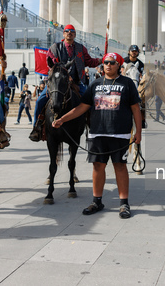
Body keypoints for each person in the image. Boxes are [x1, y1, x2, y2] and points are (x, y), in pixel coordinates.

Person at [52, 53, 142, 219]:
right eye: (105, 62)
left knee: (120, 167)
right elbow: (81, 108)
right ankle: (97, 201)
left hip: (120, 134)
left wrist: (138, 132)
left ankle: (124, 203)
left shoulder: (127, 83)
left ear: (119, 65)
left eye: (112, 63)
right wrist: (62, 120)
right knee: (98, 167)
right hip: (97, 133)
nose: (108, 65)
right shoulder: (95, 84)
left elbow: (136, 108)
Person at [30, 24, 101, 142]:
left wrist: (100, 60)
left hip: (77, 83)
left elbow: (89, 61)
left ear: (75, 35)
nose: (69, 33)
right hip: (57, 83)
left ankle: (93, 128)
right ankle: (36, 127)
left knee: (90, 101)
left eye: (72, 32)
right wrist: (66, 76)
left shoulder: (81, 48)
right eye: (67, 31)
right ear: (63, 34)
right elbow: (52, 64)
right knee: (39, 101)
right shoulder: (55, 47)